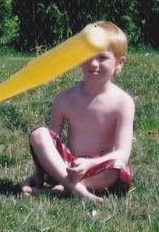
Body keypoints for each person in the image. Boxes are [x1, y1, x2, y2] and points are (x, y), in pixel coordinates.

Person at [22, 21, 134, 203]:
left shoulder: (123, 102)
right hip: (67, 167)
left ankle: (62, 189)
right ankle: (76, 189)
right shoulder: (64, 99)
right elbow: (50, 143)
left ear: (119, 63)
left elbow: (122, 153)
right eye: (87, 55)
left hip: (100, 168)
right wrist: (39, 172)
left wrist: (91, 163)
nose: (93, 63)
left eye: (102, 57)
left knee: (119, 169)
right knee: (39, 134)